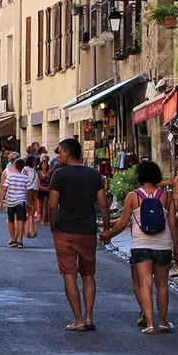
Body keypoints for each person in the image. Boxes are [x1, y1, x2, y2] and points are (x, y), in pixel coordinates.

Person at [102, 160, 175, 333]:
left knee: (145, 283)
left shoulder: (133, 197)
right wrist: (177, 248)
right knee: (162, 284)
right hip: (163, 244)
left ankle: (149, 323)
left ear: (139, 176)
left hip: (141, 244)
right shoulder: (166, 197)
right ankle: (163, 322)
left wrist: (108, 235)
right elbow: (172, 222)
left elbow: (122, 223)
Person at [49, 137, 109, 332]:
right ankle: (90, 317)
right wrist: (106, 227)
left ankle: (78, 319)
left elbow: (52, 204)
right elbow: (103, 203)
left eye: (60, 152)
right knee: (88, 274)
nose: (58, 155)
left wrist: (53, 225)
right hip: (88, 230)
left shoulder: (59, 175)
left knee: (69, 274)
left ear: (67, 153)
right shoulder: (94, 175)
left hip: (65, 230)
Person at [2, 157, 32, 247]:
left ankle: (12, 239)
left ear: (14, 166)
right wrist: (29, 202)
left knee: (10, 220)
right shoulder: (25, 178)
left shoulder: (10, 176)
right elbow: (30, 191)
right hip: (21, 201)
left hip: (10, 201)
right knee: (20, 220)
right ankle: (20, 240)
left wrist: (1, 200)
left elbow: (4, 188)